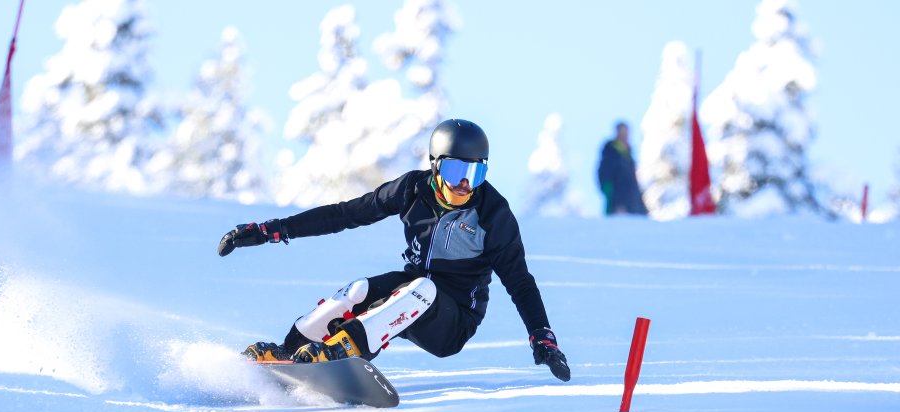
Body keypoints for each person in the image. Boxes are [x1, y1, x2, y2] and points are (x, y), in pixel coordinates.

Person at [217, 119, 570, 382]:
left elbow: (520, 282)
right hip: (409, 294)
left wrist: (542, 336)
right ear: (435, 165)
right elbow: (345, 214)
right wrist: (271, 230)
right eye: (455, 170)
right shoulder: (413, 189)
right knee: (359, 291)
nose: (464, 184)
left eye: (475, 174)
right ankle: (289, 352)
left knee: (422, 289)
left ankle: (344, 350)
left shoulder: (493, 214)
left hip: (453, 320)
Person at [597, 121, 648, 215]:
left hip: (632, 197)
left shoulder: (628, 154)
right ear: (617, 133)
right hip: (618, 197)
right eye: (622, 132)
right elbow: (605, 172)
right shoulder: (610, 150)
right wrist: (609, 191)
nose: (625, 135)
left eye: (626, 132)